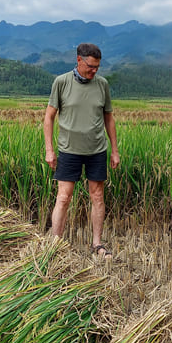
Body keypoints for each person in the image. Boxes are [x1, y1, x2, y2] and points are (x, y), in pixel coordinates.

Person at [44, 43, 120, 259]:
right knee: (64, 197)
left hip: (97, 149)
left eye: (97, 67)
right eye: (90, 66)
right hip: (69, 150)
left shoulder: (102, 84)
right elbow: (49, 117)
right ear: (79, 60)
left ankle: (97, 243)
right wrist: (50, 150)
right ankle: (55, 244)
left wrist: (114, 150)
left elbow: (108, 117)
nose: (94, 71)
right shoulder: (61, 82)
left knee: (97, 196)